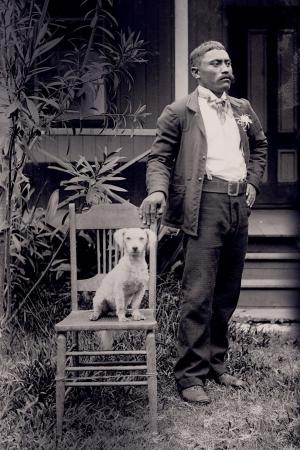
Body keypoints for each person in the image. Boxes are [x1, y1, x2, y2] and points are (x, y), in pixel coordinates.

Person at [140, 41, 267, 404]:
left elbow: (260, 146)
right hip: (204, 203)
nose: (226, 67)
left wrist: (254, 183)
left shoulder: (243, 108)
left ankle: (216, 363)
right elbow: (159, 159)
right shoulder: (181, 111)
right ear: (197, 72)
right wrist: (158, 192)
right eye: (216, 63)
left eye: (228, 61)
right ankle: (189, 375)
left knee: (227, 290)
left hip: (238, 204)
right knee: (197, 292)